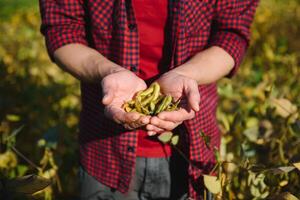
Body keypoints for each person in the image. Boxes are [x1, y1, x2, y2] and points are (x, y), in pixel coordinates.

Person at [39, 0, 258, 199]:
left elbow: (232, 34)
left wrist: (186, 75)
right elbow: (62, 30)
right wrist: (108, 72)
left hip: (195, 150)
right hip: (104, 148)